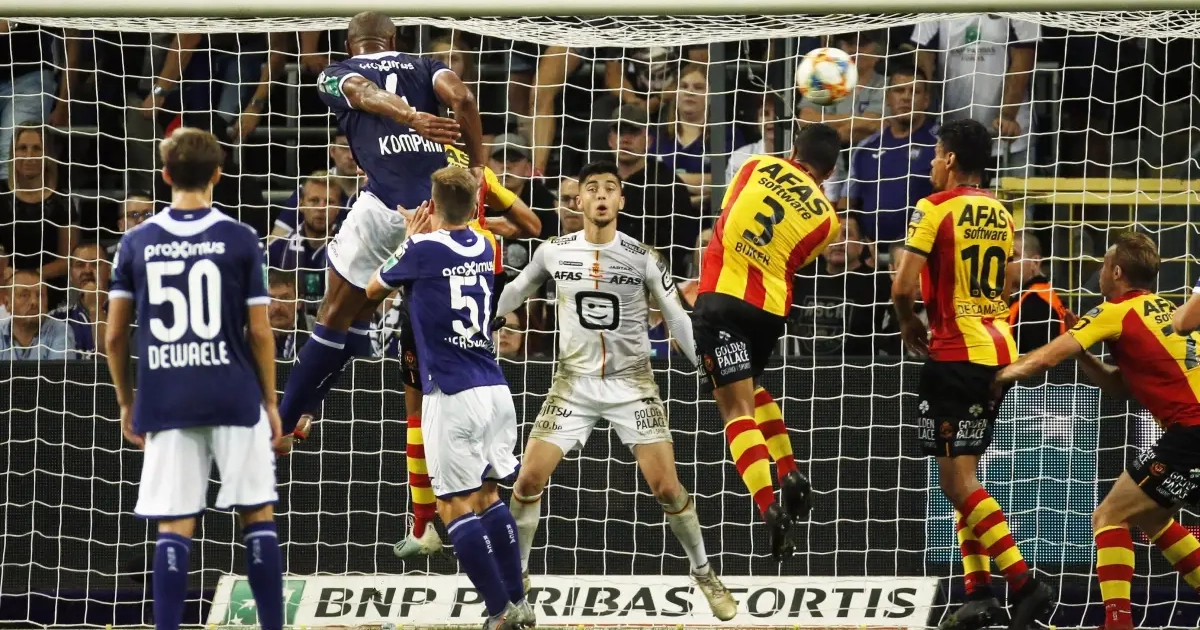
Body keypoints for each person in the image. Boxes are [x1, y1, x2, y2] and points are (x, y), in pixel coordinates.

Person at [492, 161, 736, 621]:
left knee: (667, 488)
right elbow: (516, 292)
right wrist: (482, 319)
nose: (601, 195)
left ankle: (704, 572)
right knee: (526, 481)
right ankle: (517, 579)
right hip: (573, 383)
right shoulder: (553, 252)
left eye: (610, 188)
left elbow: (678, 318)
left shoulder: (644, 257)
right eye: (592, 188)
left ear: (621, 201)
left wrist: (708, 371)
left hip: (633, 384)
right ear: (578, 200)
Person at [104, 128, 285, 630]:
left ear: (165, 176)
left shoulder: (135, 242)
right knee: (257, 514)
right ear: (217, 175)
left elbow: (114, 336)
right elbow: (260, 331)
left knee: (175, 522)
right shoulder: (241, 237)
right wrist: (270, 402)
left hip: (167, 396)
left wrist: (127, 401)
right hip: (233, 393)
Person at [276, 11, 471, 448]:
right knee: (361, 314)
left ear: (350, 44)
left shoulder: (335, 73)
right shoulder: (426, 65)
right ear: (394, 39)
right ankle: (307, 411)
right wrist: (476, 167)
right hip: (434, 215)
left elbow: (365, 93)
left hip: (385, 208)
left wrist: (411, 118)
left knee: (333, 314)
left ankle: (282, 424)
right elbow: (463, 97)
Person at [891, 118, 1053, 630]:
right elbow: (1003, 283)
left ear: (952, 160)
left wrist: (908, 321)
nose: (932, 163)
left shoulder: (933, 207)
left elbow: (902, 286)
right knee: (964, 477)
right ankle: (978, 593)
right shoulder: (1000, 211)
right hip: (997, 348)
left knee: (957, 482)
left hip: (956, 352)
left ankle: (1024, 584)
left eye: (936, 154)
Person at [994, 232, 1200, 630]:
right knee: (1153, 519)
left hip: (1190, 432)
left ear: (1116, 272)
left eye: (1104, 266)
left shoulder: (1114, 311)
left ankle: (1117, 623)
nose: (1100, 273)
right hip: (1192, 432)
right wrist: (1087, 355)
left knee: (1108, 516)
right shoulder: (1167, 308)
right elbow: (1120, 387)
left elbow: (1046, 358)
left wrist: (997, 375)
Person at [364, 166, 532, 630]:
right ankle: (518, 602)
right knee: (489, 495)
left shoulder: (420, 248)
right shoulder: (486, 244)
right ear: (475, 205)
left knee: (453, 505)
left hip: (452, 392)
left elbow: (373, 287)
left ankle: (498, 611)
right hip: (494, 387)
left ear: (433, 205)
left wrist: (408, 239)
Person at [692, 123, 843, 560]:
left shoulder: (755, 166)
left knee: (735, 409)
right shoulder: (828, 221)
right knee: (752, 388)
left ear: (794, 149)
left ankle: (769, 509)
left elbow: (730, 213)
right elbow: (799, 258)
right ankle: (789, 470)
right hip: (769, 310)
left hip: (722, 297)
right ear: (831, 172)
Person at [1006, 231, 1070, 354]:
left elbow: (1040, 359)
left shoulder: (1035, 304)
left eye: (1013, 256)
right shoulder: (1038, 295)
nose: (1006, 262)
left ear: (1035, 262)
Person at [0, 268, 77, 360]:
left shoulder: (60, 331)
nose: (34, 302)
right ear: (7, 303)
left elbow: (58, 370)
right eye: (25, 295)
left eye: (40, 295)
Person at [48, 242, 108, 355]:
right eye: (80, 265)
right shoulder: (57, 319)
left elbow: (114, 356)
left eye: (95, 264)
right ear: (70, 275)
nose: (87, 270)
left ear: (109, 271)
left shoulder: (129, 313)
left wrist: (94, 308)